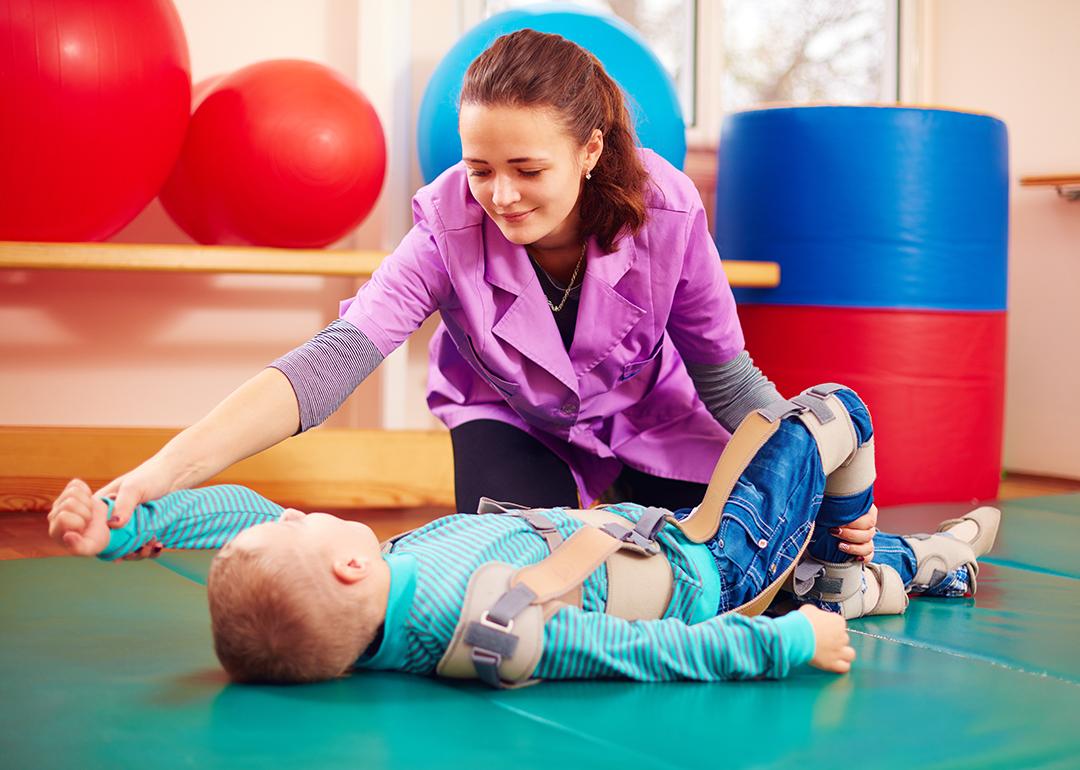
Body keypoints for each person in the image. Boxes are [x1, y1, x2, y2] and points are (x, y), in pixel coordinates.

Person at [84, 28, 801, 528]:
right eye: (480, 168)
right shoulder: (446, 223)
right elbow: (333, 361)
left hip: (654, 415)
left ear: (588, 151)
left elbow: (729, 384)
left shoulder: (668, 211)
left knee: (736, 550)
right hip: (516, 420)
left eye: (528, 169)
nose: (501, 195)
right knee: (519, 569)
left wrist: (825, 480)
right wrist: (157, 476)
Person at [47, 387, 999, 686]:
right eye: (301, 524)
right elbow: (646, 652)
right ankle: (838, 571)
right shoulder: (495, 624)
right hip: (709, 562)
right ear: (344, 561)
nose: (286, 513)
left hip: (658, 538)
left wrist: (140, 517)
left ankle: (903, 570)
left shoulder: (367, 607)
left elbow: (248, 524)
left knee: (882, 575)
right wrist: (784, 643)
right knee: (838, 409)